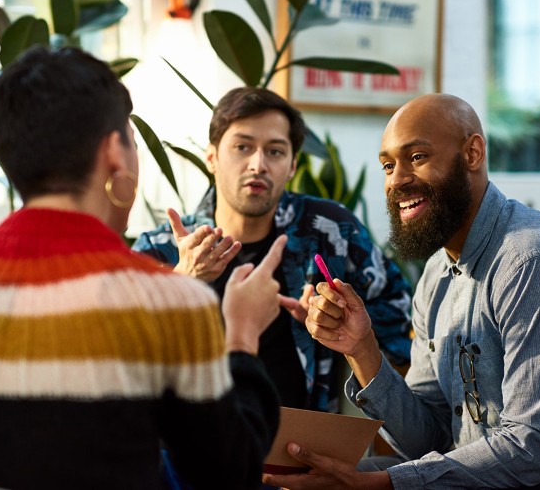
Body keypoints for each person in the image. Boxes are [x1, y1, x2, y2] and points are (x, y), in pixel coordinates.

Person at [0, 46, 284, 490]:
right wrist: (241, 334)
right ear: (113, 154)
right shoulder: (170, 301)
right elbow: (228, 476)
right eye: (132, 139)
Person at [263, 93, 540, 489]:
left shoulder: (537, 260)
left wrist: (380, 483)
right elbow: (431, 440)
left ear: (472, 153)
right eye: (388, 166)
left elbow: (536, 448)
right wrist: (361, 349)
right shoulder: (436, 274)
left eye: (417, 158)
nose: (398, 179)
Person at [133, 86, 413, 412]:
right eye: (242, 147)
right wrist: (181, 281)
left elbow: (400, 313)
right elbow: (113, 358)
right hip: (192, 450)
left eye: (275, 151)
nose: (258, 164)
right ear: (212, 157)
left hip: (303, 448)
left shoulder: (329, 231)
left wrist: (340, 322)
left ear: (293, 165)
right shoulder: (161, 249)